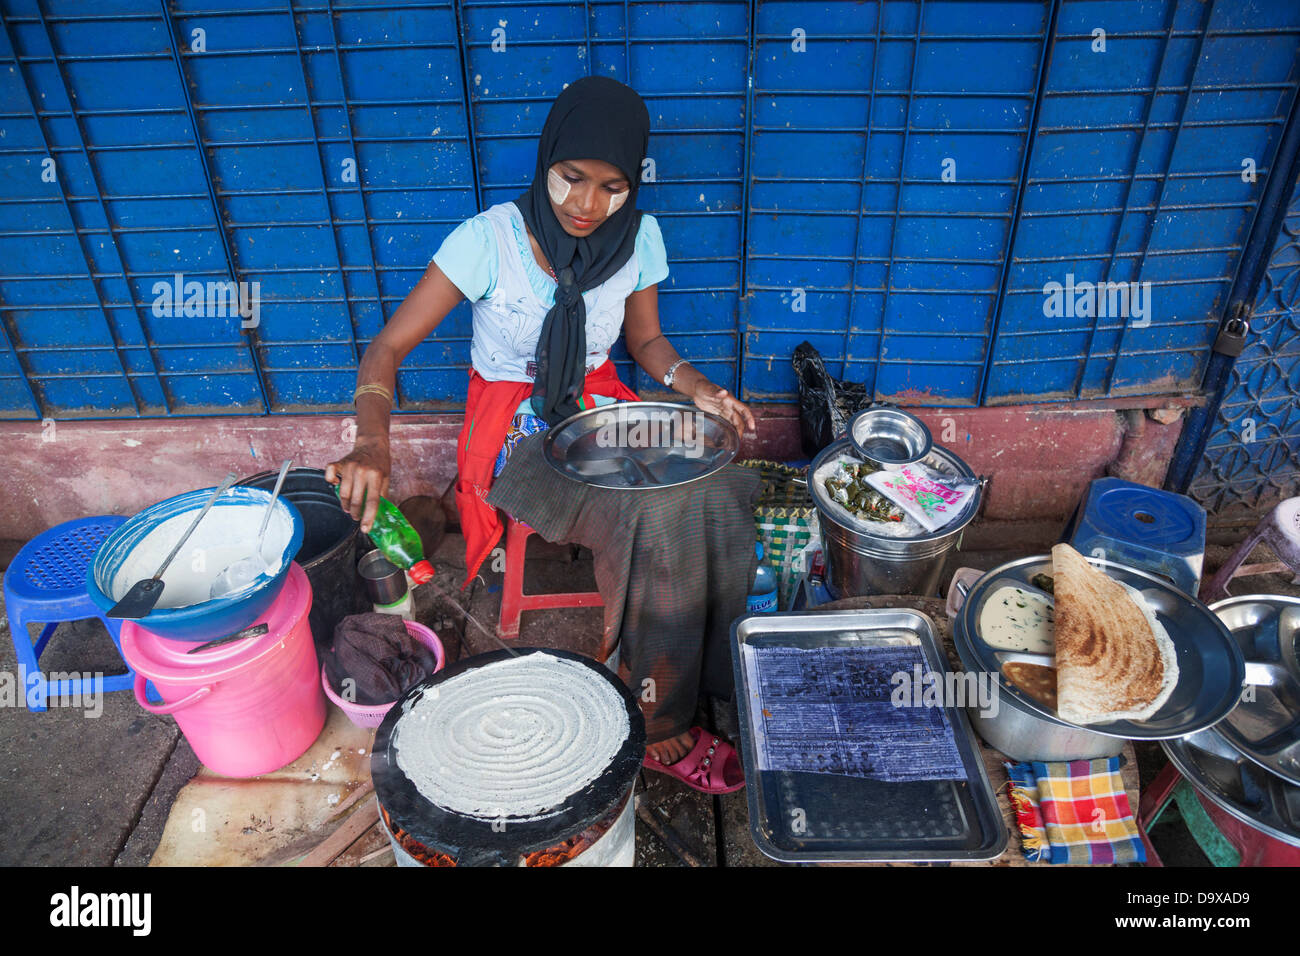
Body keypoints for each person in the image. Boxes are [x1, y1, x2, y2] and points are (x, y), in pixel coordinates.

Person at [326, 76, 758, 794]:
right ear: (546, 161)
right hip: (515, 427)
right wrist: (373, 440)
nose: (588, 205)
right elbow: (385, 351)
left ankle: (687, 667)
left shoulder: (640, 237)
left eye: (612, 187)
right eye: (572, 178)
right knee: (652, 509)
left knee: (715, 487)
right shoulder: (488, 239)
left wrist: (697, 387)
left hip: (600, 411)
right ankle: (658, 721)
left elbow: (647, 343)